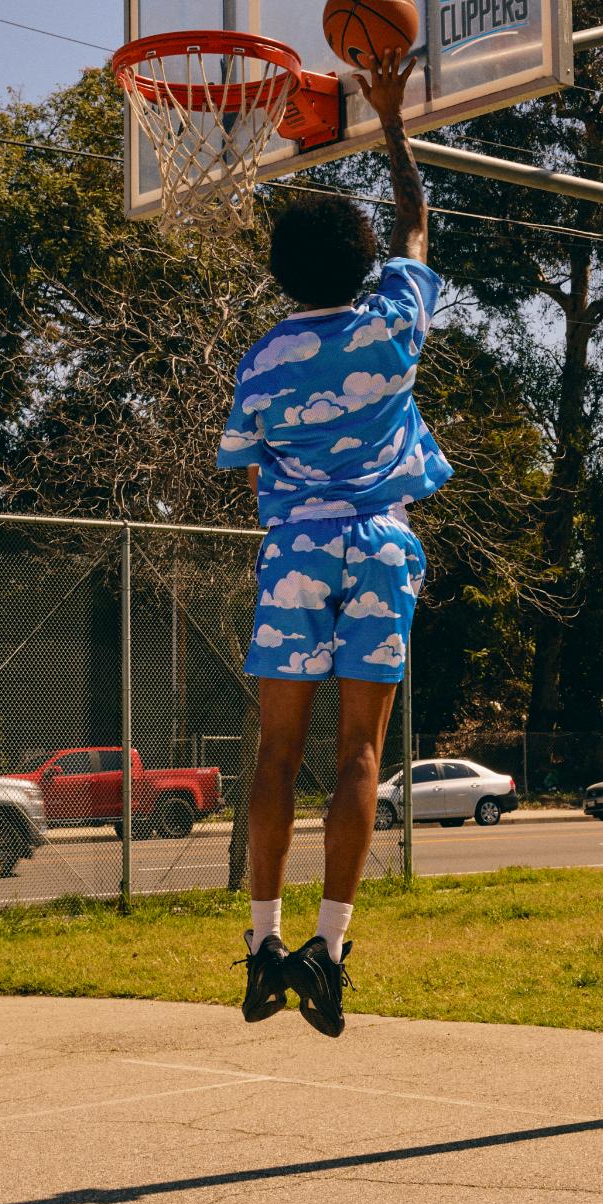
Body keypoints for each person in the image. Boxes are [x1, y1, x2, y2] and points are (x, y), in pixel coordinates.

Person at [216, 51, 447, 1036]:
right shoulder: (393, 323)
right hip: (381, 548)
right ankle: (331, 947)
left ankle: (263, 947)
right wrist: (389, 120)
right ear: (366, 269)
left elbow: (244, 452)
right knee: (360, 752)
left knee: (275, 752)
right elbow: (415, 224)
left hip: (298, 551)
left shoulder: (260, 364)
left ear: (280, 273)